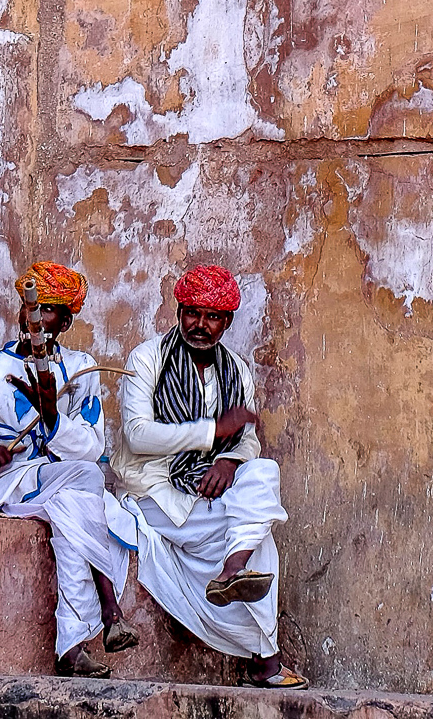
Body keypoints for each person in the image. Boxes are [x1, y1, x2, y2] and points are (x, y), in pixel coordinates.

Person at [0, 261, 140, 677]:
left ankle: (71, 648)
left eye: (50, 310)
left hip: (59, 484)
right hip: (6, 486)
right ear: (20, 311)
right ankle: (108, 611)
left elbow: (91, 446)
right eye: (34, 308)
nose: (38, 317)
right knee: (85, 485)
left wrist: (52, 418)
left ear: (65, 320)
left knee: (73, 504)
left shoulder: (80, 370)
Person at [112, 265, 306, 688]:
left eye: (212, 316)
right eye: (193, 313)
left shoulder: (236, 370)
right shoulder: (147, 360)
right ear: (179, 312)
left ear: (227, 322)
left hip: (208, 491)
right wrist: (212, 433)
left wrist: (229, 461)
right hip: (156, 494)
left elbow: (248, 441)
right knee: (261, 539)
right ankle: (265, 660)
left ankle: (231, 567)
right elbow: (138, 435)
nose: (201, 325)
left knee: (263, 471)